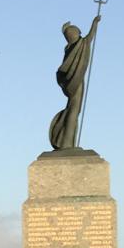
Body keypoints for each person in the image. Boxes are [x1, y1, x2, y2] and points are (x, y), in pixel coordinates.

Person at [49, 14, 100, 150]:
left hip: (73, 82)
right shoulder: (78, 45)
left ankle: (67, 141)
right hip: (76, 82)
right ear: (74, 34)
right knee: (74, 110)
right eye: (78, 31)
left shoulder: (69, 48)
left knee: (74, 110)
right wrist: (95, 23)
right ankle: (66, 143)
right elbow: (88, 39)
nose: (80, 33)